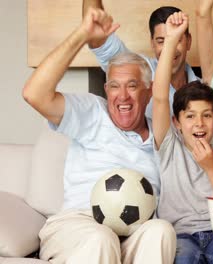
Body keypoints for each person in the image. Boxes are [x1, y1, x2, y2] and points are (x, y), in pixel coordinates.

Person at [22, 8, 176, 264]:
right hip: (79, 225)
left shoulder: (162, 136)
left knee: (162, 231)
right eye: (114, 86)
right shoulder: (92, 112)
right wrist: (81, 35)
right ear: (106, 90)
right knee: (101, 238)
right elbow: (34, 94)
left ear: (149, 93)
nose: (123, 96)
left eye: (132, 86)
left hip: (134, 230)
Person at [152, 12, 213, 263]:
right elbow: (161, 96)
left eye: (207, 116)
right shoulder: (169, 146)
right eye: (190, 116)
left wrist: (211, 168)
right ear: (177, 122)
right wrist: (172, 39)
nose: (199, 123)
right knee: (182, 257)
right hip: (181, 235)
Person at [83, 0, 199, 117]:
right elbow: (96, 37)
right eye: (161, 41)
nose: (169, 48)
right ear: (152, 43)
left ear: (189, 42)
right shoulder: (138, 70)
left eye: (176, 39)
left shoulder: (204, 88)